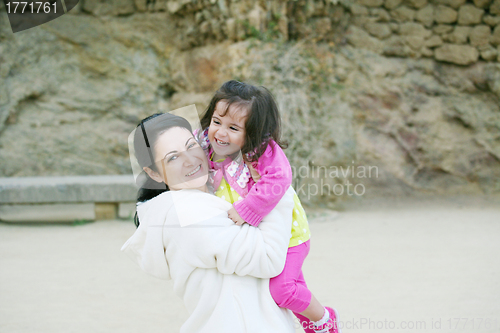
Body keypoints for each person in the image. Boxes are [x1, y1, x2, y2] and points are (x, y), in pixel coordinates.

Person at [121, 112, 297, 333]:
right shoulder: (186, 214)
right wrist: (273, 186)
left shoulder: (211, 195)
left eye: (191, 146)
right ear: (154, 174)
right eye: (173, 157)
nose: (190, 160)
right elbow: (268, 258)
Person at [196, 80, 341, 333]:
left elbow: (279, 178)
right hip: (259, 238)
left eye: (233, 128)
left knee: (283, 291)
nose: (220, 132)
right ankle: (313, 325)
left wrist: (248, 208)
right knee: (293, 289)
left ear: (253, 132)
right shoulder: (206, 146)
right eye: (217, 122)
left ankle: (324, 321)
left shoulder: (261, 151)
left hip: (289, 236)